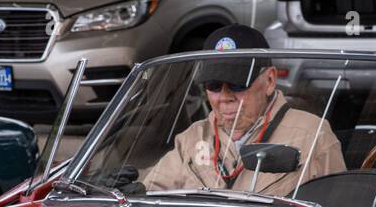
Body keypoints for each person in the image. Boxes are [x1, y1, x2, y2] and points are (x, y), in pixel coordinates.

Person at [142, 25, 345, 197]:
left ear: (269, 81)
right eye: (213, 85)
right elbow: (151, 191)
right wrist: (129, 191)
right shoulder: (192, 138)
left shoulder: (313, 135)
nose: (224, 96)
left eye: (238, 84)